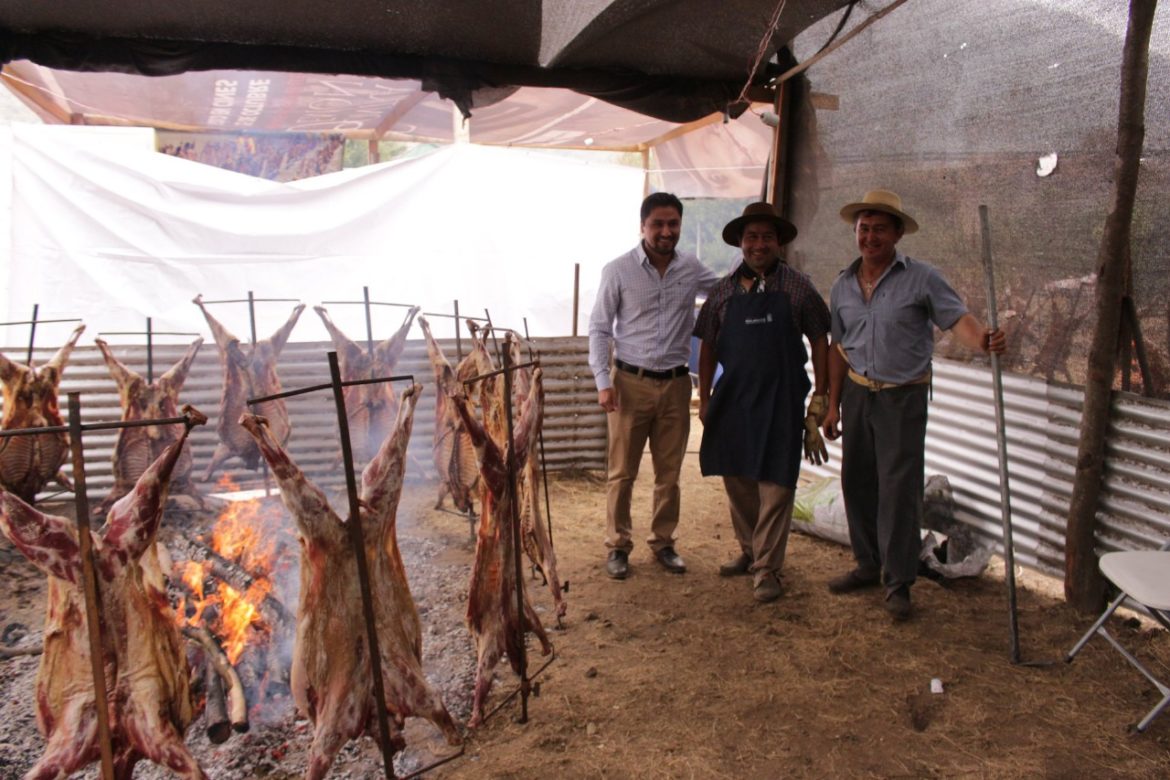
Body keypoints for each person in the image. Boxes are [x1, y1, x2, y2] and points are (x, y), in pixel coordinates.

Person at [821, 189, 1006, 620]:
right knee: (857, 482)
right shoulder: (843, 284)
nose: (870, 237)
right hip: (856, 392)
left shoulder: (922, 278)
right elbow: (836, 347)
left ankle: (899, 582)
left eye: (879, 229)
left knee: (899, 491)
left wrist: (981, 340)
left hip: (902, 397)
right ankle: (868, 564)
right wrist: (832, 405)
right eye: (863, 229)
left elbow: (956, 318)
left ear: (898, 233)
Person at [694, 202, 830, 602]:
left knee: (777, 482)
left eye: (766, 237)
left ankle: (768, 569)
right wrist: (704, 396)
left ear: (779, 242)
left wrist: (819, 398)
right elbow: (706, 346)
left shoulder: (799, 287)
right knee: (737, 478)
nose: (759, 244)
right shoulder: (722, 291)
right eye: (751, 237)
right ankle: (751, 551)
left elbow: (821, 339)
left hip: (782, 401)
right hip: (733, 400)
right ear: (740, 242)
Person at [589, 192, 721, 579]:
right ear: (642, 226)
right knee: (622, 472)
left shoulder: (691, 268)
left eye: (673, 224)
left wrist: (757, 268)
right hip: (630, 383)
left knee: (670, 473)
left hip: (678, 386)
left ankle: (663, 543)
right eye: (658, 224)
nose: (666, 232)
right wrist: (602, 381)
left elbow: (723, 290)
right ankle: (617, 546)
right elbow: (599, 328)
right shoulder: (618, 270)